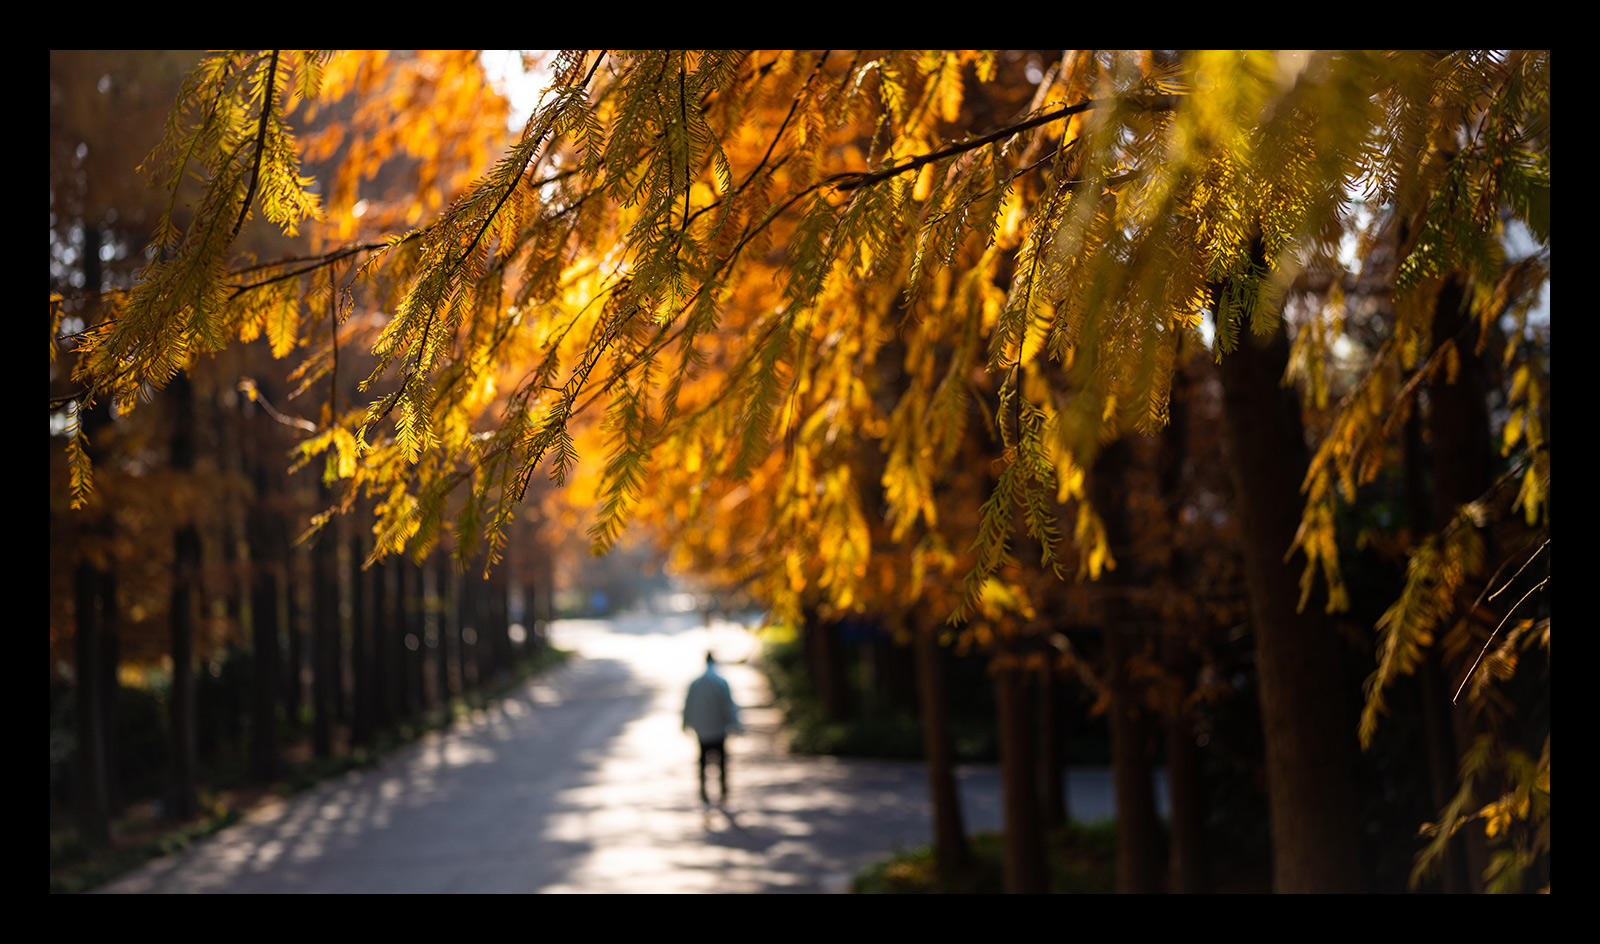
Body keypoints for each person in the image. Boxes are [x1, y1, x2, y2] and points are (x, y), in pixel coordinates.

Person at [683, 651, 742, 808]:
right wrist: (735, 724)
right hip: (718, 729)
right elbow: (729, 706)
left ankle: (703, 791)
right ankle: (722, 791)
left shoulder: (696, 683)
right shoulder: (721, 682)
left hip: (702, 730)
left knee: (703, 761)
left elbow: (688, 705)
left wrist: (685, 723)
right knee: (721, 762)